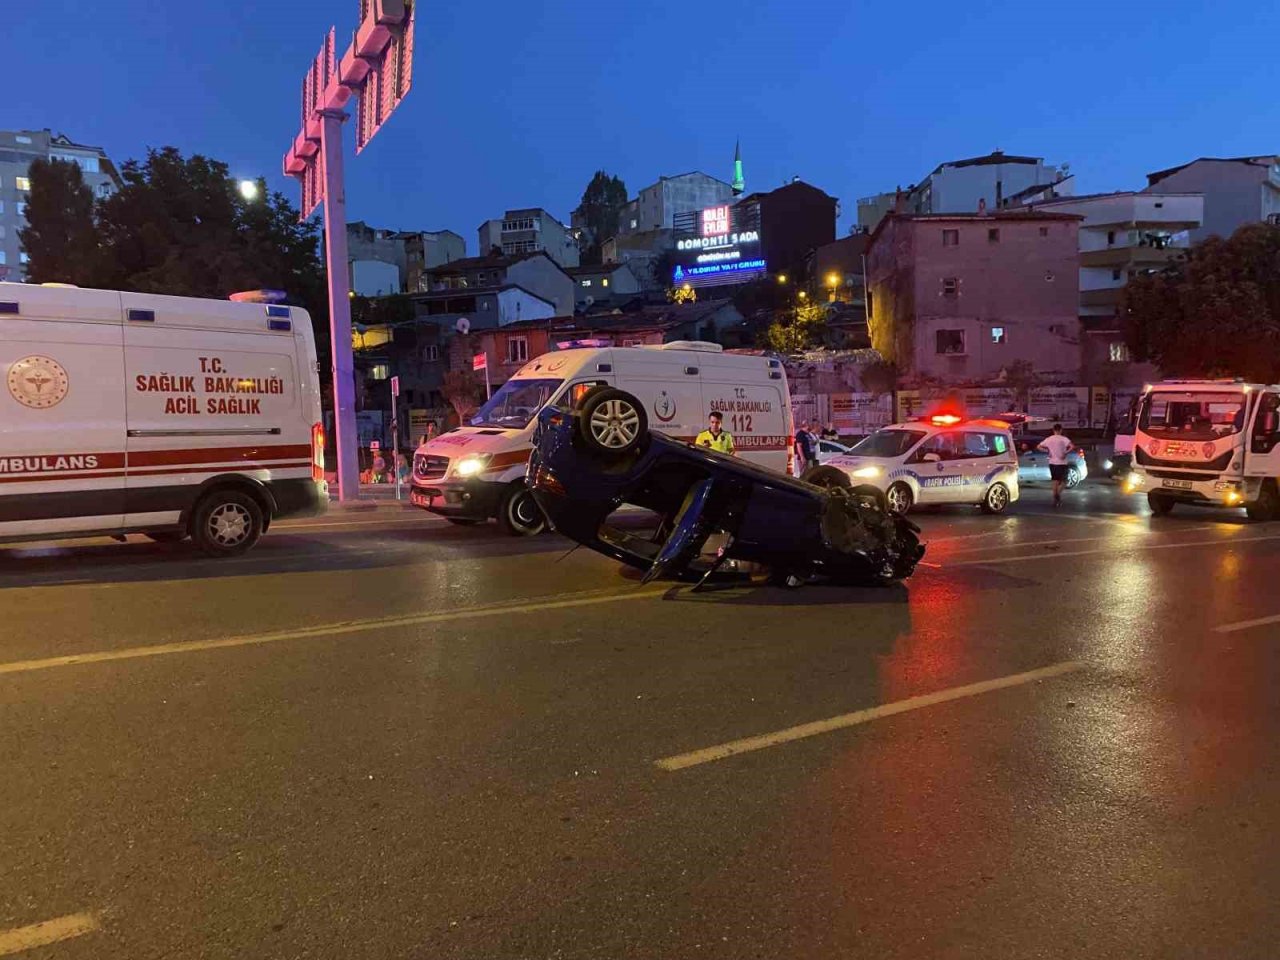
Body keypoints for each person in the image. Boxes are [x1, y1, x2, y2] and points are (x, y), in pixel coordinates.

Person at [1037, 423, 1075, 507]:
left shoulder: (1049, 439)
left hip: (1052, 462)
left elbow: (1039, 446)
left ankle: (1055, 499)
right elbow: (1072, 446)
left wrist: (1047, 452)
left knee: (1055, 481)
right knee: (1064, 481)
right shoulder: (1063, 439)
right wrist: (1065, 453)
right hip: (1062, 463)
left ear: (1053, 430)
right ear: (1061, 430)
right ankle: (1057, 495)